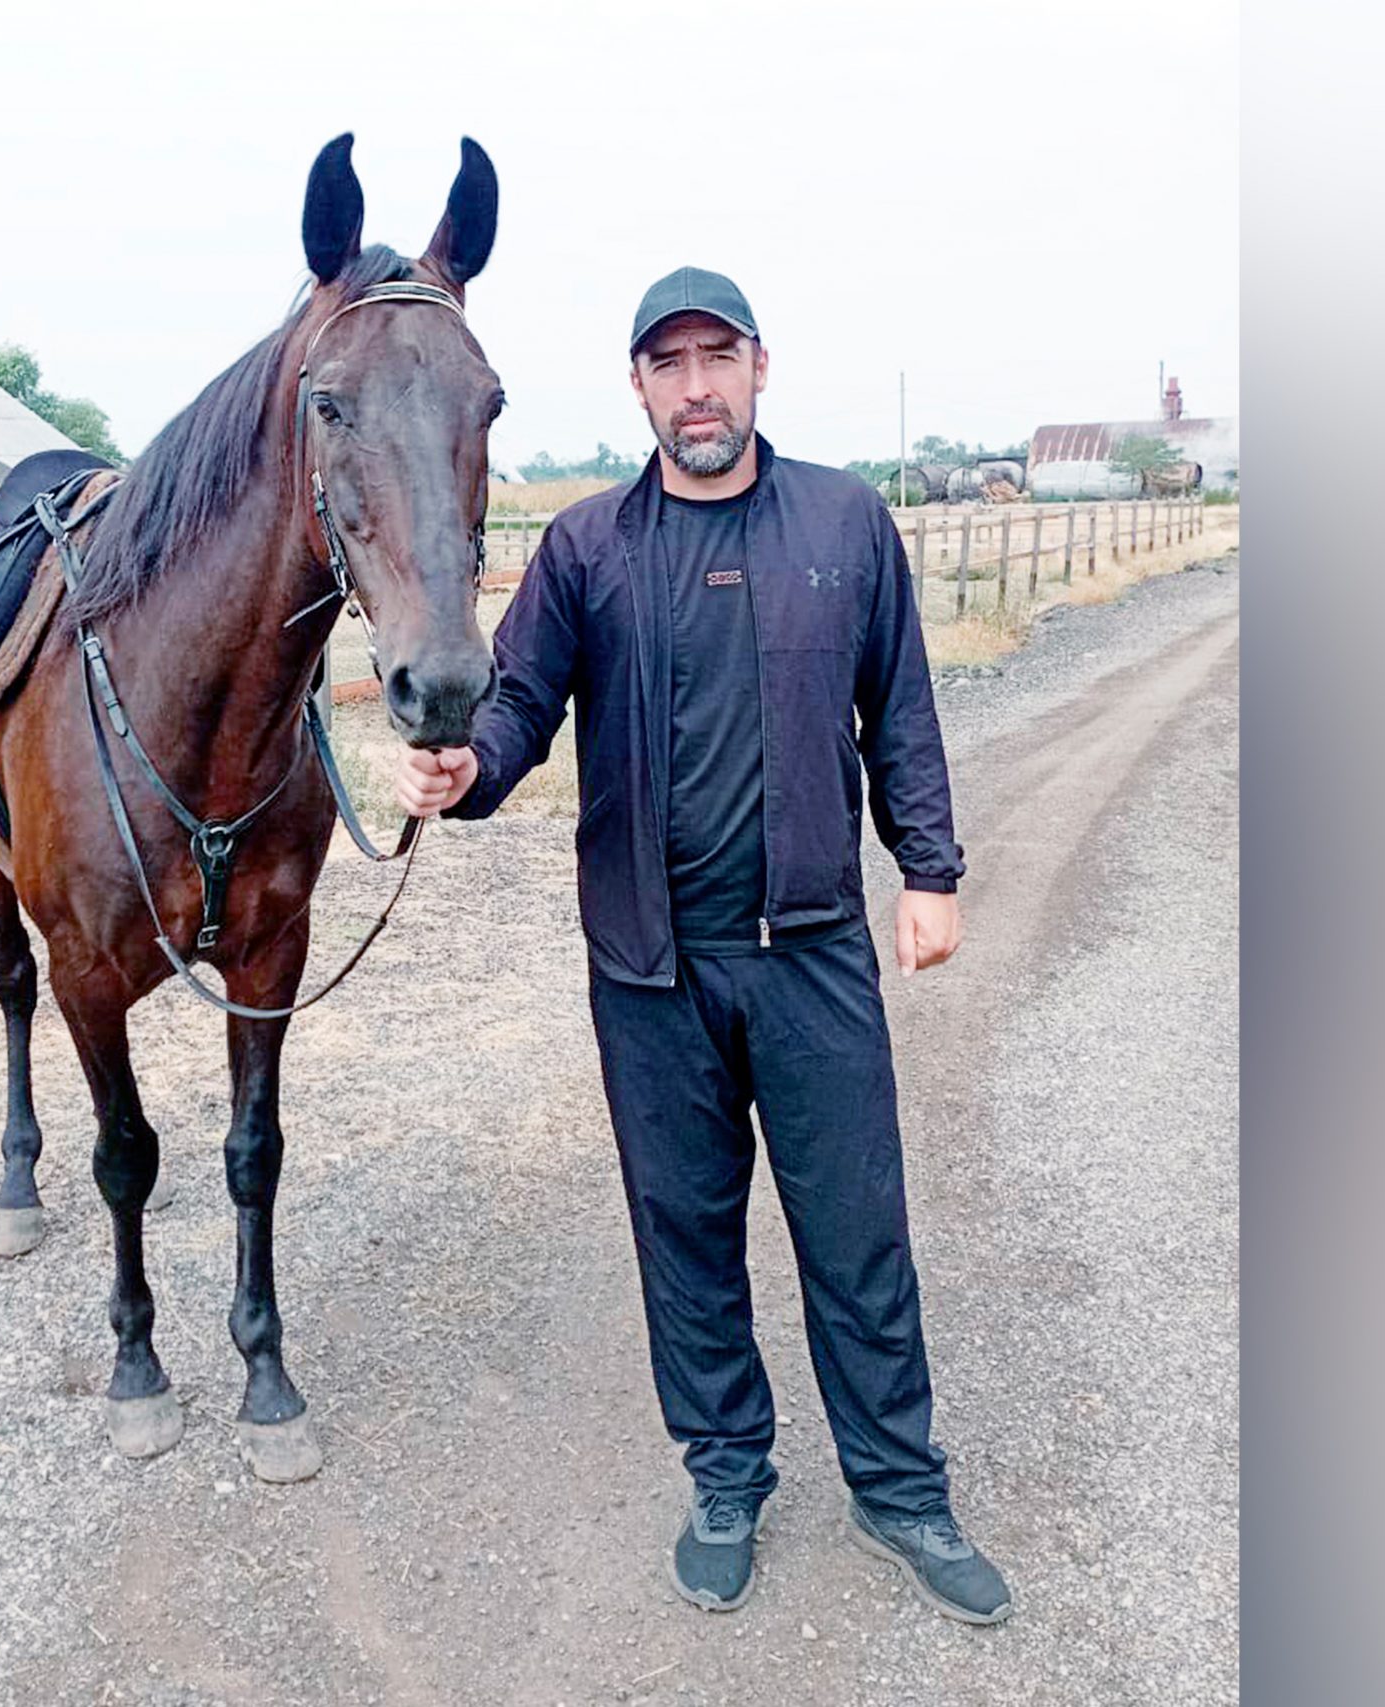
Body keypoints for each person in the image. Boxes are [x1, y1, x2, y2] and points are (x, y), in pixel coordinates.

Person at [396, 267, 1011, 1622]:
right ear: (638, 388)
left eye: (715, 358)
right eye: (667, 365)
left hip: (812, 955)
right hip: (650, 972)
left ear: (759, 367)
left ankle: (900, 1488)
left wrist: (930, 869)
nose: (696, 388)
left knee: (856, 1232)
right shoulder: (588, 548)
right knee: (685, 1235)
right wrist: (467, 770)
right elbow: (517, 704)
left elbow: (900, 707)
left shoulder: (844, 525)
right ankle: (727, 1473)